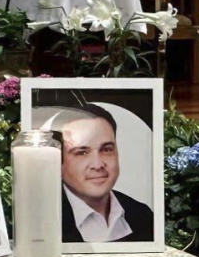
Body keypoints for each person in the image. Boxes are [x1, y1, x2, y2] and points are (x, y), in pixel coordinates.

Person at [59, 104, 154, 243]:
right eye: (82, 152)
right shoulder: (43, 221)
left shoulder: (142, 214)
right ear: (58, 160)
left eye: (106, 149)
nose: (98, 165)